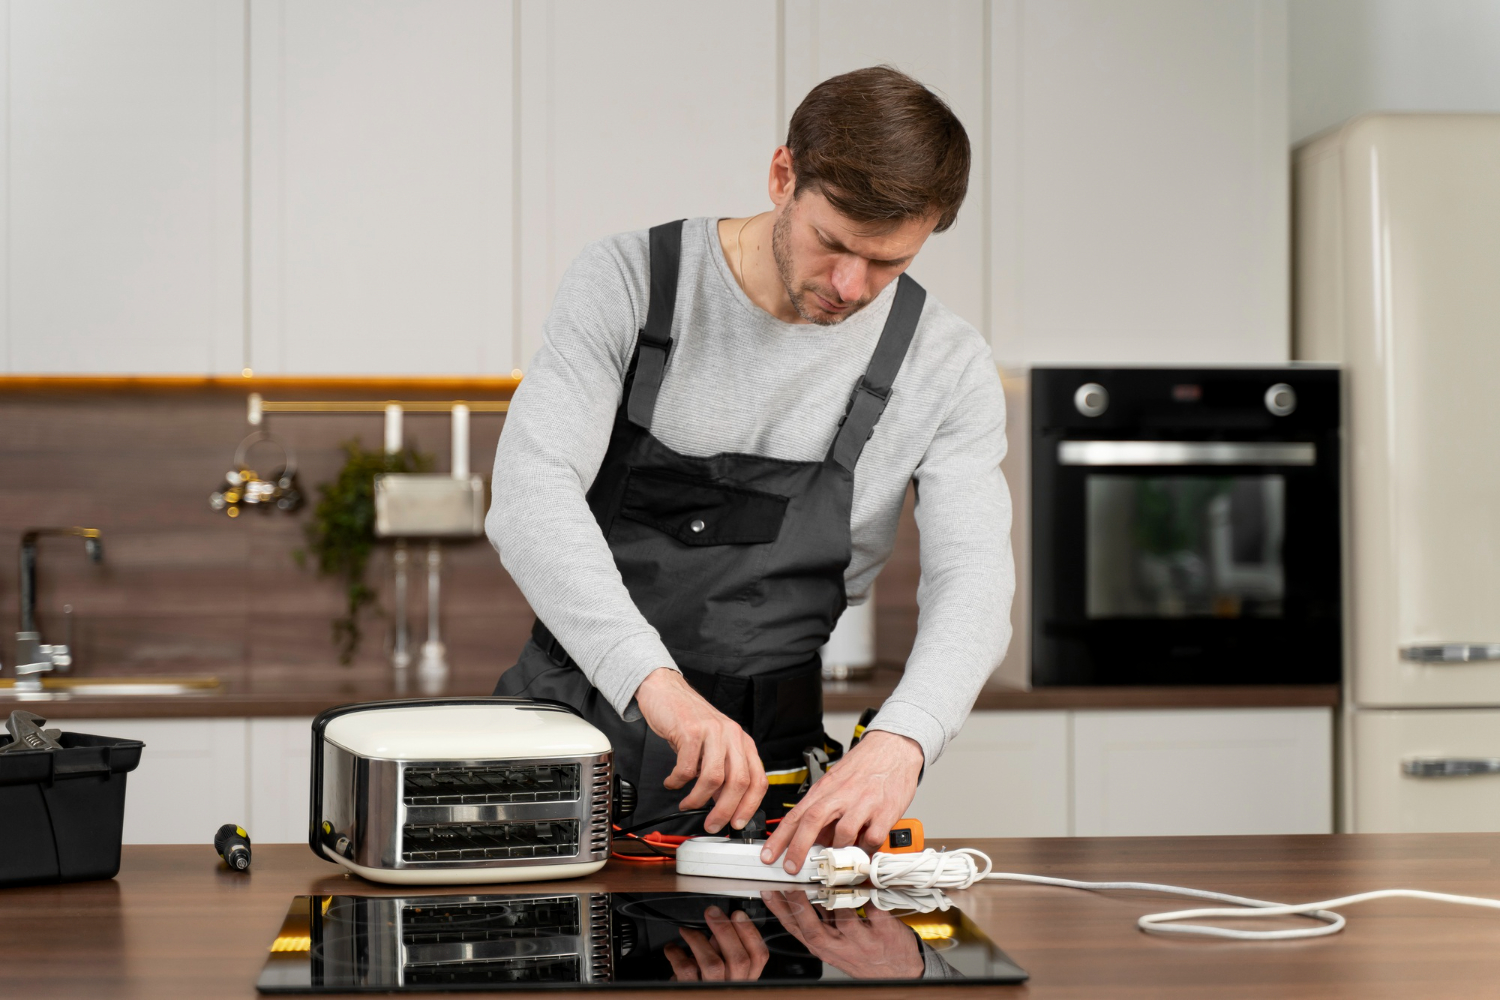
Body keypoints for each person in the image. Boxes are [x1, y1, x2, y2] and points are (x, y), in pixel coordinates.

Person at [490, 65, 1013, 874]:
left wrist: (905, 737)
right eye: (833, 243)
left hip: (771, 772)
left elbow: (974, 577)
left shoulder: (948, 366)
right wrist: (660, 690)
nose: (849, 286)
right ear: (782, 177)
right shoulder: (629, 281)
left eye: (888, 263)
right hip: (569, 737)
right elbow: (530, 492)